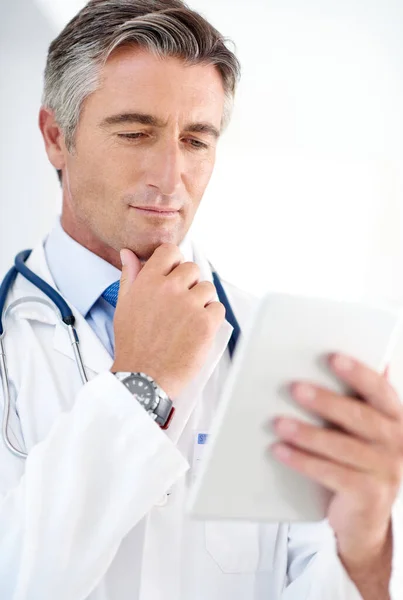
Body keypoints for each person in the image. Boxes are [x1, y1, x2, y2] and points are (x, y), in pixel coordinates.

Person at [0, 1, 402, 598]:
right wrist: (142, 381)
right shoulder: (15, 341)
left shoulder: (282, 352)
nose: (171, 175)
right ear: (57, 137)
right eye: (136, 133)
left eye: (196, 139)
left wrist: (365, 545)